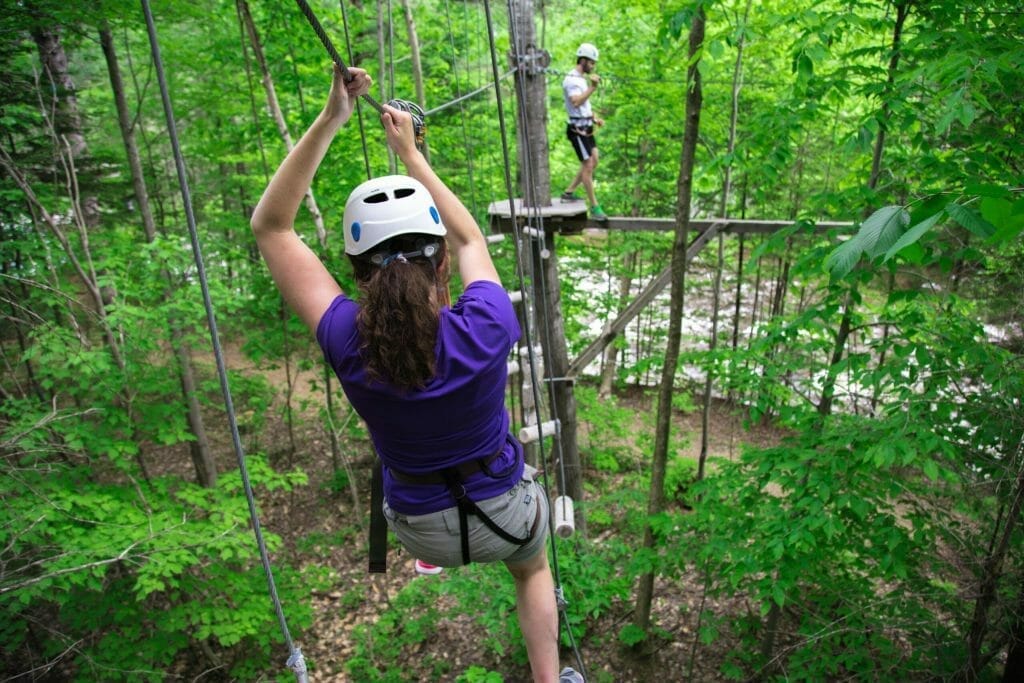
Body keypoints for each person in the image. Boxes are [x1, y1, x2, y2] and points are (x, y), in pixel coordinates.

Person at [250, 65, 584, 683]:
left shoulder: (349, 342)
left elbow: (272, 227)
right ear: (439, 269)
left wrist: (331, 119)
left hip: (420, 531)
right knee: (533, 568)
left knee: (447, 500)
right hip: (505, 516)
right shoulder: (484, 326)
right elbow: (470, 239)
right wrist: (412, 157)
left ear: (356, 273)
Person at [561, 42, 607, 222]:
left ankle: (569, 191)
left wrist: (594, 118)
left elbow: (583, 105)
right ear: (583, 60)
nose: (593, 66)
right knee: (588, 165)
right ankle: (595, 206)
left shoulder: (580, 79)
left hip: (585, 125)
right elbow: (576, 102)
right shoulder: (572, 79)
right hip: (577, 129)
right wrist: (593, 88)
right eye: (592, 62)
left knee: (594, 160)